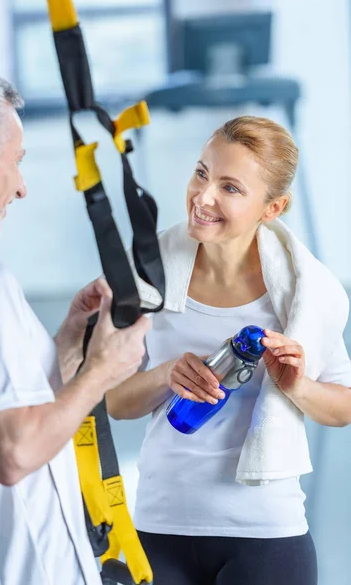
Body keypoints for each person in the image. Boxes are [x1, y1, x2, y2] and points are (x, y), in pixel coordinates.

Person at [106, 116, 351, 585]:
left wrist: (297, 386)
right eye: (202, 173)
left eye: (231, 188)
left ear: (272, 207)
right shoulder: (150, 274)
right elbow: (113, 402)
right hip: (161, 527)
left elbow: (342, 408)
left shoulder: (303, 293)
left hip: (267, 536)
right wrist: (164, 376)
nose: (204, 197)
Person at [0, 66, 150, 585]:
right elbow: (11, 453)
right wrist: (101, 372)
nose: (21, 188)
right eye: (16, 162)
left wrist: (62, 347)